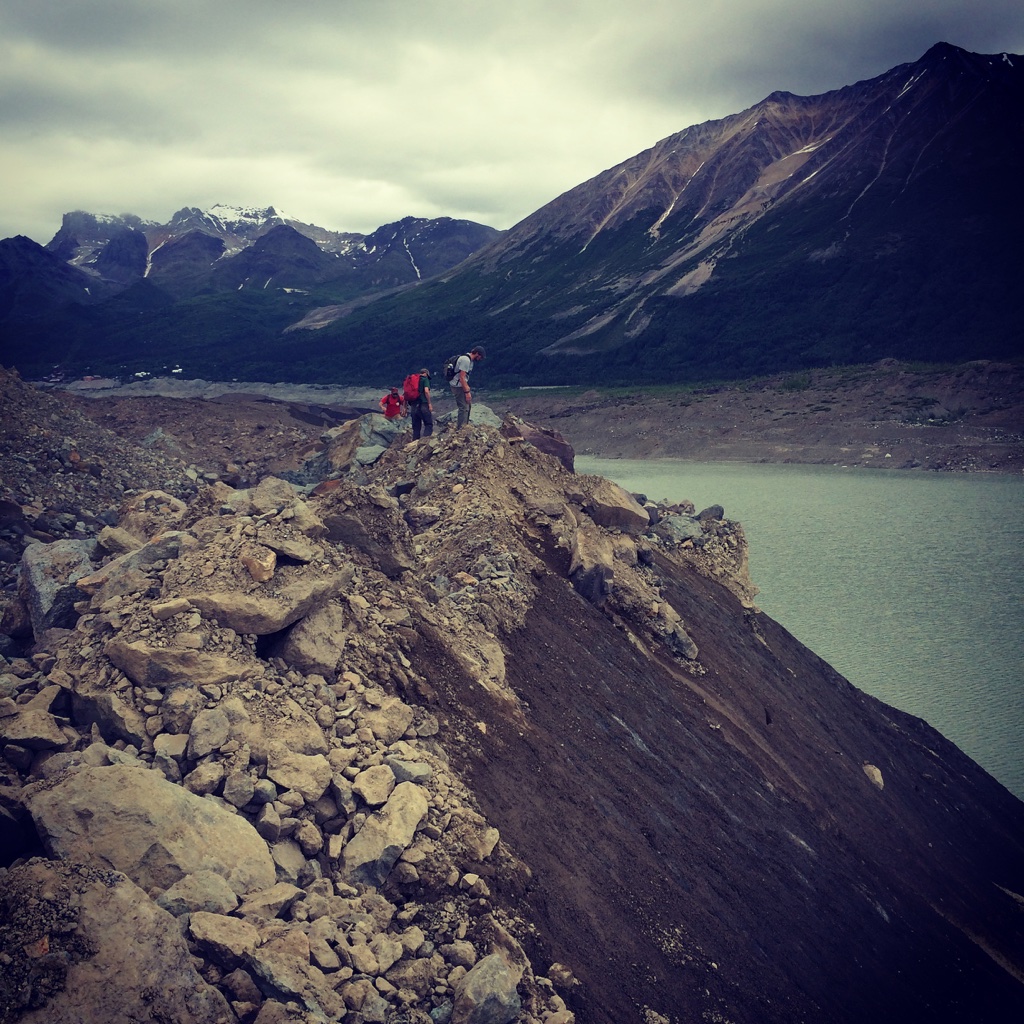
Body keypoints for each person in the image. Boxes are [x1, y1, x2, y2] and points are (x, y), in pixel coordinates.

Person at [449, 346, 485, 428]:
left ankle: (465, 425)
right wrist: (467, 392)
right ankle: (461, 428)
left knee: (468, 405)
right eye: (480, 357)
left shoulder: (469, 360)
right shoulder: (466, 360)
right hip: (458, 386)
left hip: (461, 385)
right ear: (477, 353)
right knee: (463, 407)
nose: (480, 359)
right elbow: (462, 378)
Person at [406, 367, 434, 439]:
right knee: (428, 424)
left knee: (416, 427)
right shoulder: (425, 379)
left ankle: (415, 443)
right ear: (426, 374)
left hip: (413, 405)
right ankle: (425, 441)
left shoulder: (411, 380)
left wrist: (404, 407)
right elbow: (426, 391)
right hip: (423, 404)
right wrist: (429, 403)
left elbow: (405, 394)